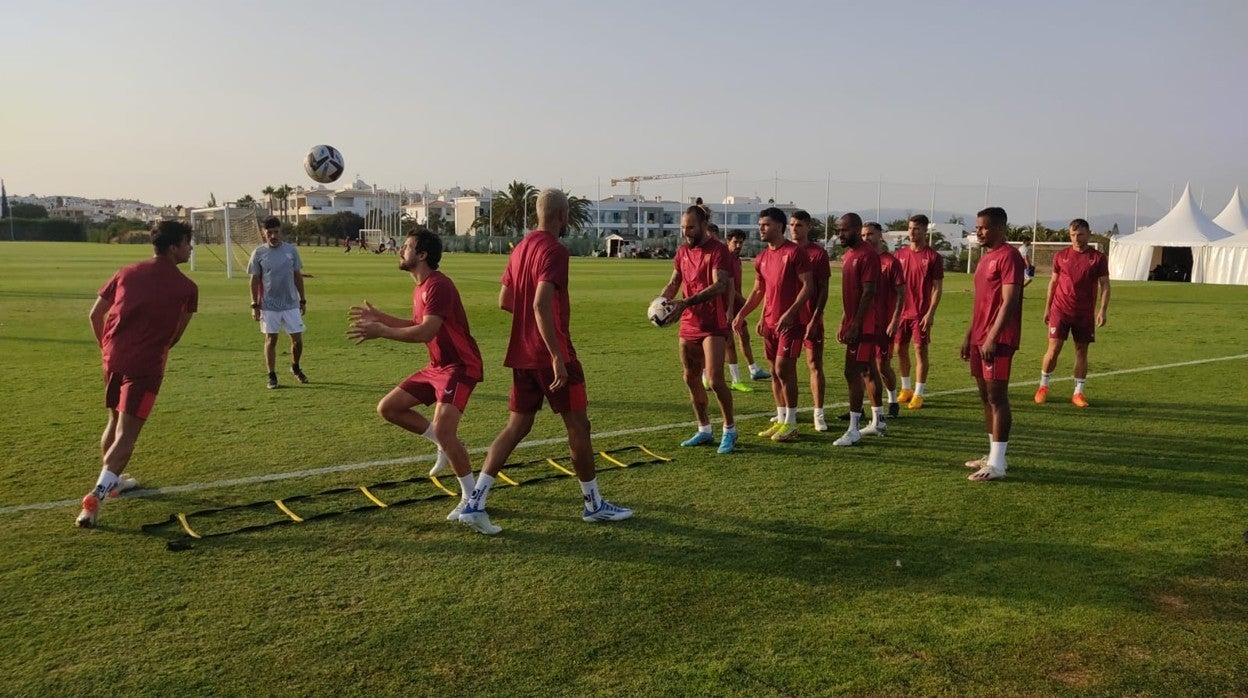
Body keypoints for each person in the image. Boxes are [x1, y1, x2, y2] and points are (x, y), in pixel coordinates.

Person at [457, 189, 632, 534]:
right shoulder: (554, 250)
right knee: (579, 428)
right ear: (563, 216)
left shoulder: (520, 248)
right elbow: (539, 304)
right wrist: (556, 355)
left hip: (521, 355)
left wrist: (531, 322)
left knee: (516, 427)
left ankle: (474, 502)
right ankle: (593, 505)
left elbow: (505, 300)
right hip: (551, 355)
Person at [347, 228, 483, 521]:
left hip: (460, 366)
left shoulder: (438, 286)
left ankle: (472, 500)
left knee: (447, 431)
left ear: (421, 255)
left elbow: (426, 331)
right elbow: (417, 323)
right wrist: (381, 317)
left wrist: (381, 331)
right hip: (437, 367)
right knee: (389, 408)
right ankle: (443, 445)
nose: (400, 250)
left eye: (406, 246)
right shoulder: (421, 288)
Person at [76, 221, 198, 528]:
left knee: (114, 422)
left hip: (112, 359)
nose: (190, 248)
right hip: (145, 367)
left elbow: (95, 314)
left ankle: (113, 483)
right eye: (187, 243)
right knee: (128, 436)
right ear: (173, 248)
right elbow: (175, 337)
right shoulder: (187, 288)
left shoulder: (126, 272)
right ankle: (96, 496)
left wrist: (107, 348)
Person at [659, 206, 737, 453]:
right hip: (689, 323)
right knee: (690, 377)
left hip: (713, 324)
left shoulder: (718, 250)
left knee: (714, 379)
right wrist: (661, 301)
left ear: (704, 224)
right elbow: (674, 282)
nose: (686, 232)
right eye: (683, 227)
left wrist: (686, 302)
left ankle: (730, 430)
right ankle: (704, 429)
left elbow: (720, 285)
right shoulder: (682, 251)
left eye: (691, 227)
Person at [734, 207, 812, 442]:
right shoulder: (762, 258)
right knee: (775, 375)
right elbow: (759, 291)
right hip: (769, 324)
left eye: (766, 224)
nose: (761, 228)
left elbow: (809, 286)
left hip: (791, 323)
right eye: (760, 224)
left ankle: (792, 421)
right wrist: (742, 314)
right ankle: (780, 419)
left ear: (779, 226)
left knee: (783, 370)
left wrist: (790, 313)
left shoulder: (795, 253)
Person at [962, 207, 1025, 481]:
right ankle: (993, 454)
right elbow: (982, 302)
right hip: (980, 337)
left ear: (1000, 228)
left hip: (997, 339)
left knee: (997, 397)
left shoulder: (1009, 256)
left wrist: (992, 336)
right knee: (985, 397)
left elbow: (1010, 301)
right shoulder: (986, 257)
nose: (979, 231)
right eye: (978, 226)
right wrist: (970, 335)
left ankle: (999, 464)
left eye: (985, 227)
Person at [1035, 218, 1110, 408]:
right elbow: (1053, 283)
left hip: (1084, 313)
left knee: (1081, 351)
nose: (1076, 238)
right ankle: (1043, 387)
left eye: (1080, 234)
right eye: (1073, 235)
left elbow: (1105, 285)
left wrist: (1102, 310)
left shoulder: (1098, 258)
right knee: (1054, 349)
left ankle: (1078, 393)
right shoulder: (1061, 256)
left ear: (1089, 234)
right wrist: (1047, 308)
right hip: (1060, 309)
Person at [830, 213, 881, 447]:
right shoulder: (850, 255)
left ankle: (853, 429)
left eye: (844, 230)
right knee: (868, 371)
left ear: (857, 229)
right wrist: (845, 320)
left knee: (852, 373)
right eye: (839, 230)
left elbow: (868, 292)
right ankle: (877, 420)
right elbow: (851, 295)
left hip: (864, 327)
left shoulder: (867, 255)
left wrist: (856, 324)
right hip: (856, 324)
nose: (840, 234)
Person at [249, 216, 308, 389]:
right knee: (271, 340)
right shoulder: (258, 253)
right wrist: (254, 305)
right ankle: (272, 375)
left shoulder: (291, 251)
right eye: (269, 233)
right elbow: (254, 280)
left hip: (291, 304)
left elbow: (298, 276)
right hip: (269, 306)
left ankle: (295, 367)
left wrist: (302, 300)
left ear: (280, 231)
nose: (273, 236)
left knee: (297, 340)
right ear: (264, 233)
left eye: (276, 232)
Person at [893, 214, 944, 410]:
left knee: (920, 351)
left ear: (925, 231)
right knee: (899, 350)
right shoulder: (900, 255)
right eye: (910, 228)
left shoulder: (933, 257)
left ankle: (919, 393)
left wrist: (930, 312)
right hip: (901, 313)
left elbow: (937, 288)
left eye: (916, 229)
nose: (912, 232)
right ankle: (905, 389)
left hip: (920, 314)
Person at [788, 210, 831, 430]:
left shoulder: (818, 254)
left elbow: (823, 289)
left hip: (811, 318)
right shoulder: (784, 251)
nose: (794, 229)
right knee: (786, 366)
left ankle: (818, 413)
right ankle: (788, 414)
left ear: (808, 228)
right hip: (789, 320)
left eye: (799, 225)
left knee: (814, 364)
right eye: (792, 224)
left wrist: (816, 317)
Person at [862, 222, 905, 431]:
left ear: (880, 235)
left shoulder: (890, 262)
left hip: (883, 324)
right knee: (862, 364)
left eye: (870, 234)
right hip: (864, 322)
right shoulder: (864, 261)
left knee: (881, 365)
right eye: (863, 234)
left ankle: (893, 400)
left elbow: (901, 293)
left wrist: (895, 319)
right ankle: (862, 410)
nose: (866, 238)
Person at [724, 229, 769, 389]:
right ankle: (731, 379)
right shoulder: (725, 260)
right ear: (728, 241)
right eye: (735, 242)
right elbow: (728, 288)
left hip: (736, 305)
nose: (738, 245)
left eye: (741, 242)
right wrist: (746, 303)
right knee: (727, 343)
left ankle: (753, 369)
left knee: (744, 336)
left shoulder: (737, 260)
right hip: (726, 306)